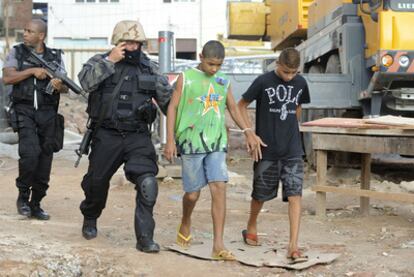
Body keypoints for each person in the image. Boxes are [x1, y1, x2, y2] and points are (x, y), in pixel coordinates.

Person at [77, 20, 172, 253]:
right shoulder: (100, 62)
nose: (132, 47)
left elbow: (169, 103)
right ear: (117, 43)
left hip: (137, 136)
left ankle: (145, 239)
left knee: (148, 183)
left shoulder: (150, 68)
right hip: (106, 135)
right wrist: (110, 61)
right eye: (127, 42)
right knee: (96, 184)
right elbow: (84, 83)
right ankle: (90, 216)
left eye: (136, 43)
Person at [164, 40, 258, 261]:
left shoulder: (222, 81)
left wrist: (248, 131)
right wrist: (170, 140)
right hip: (190, 141)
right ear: (200, 57)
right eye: (210, 64)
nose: (214, 69)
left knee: (219, 187)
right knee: (193, 194)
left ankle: (218, 244)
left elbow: (233, 107)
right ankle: (186, 220)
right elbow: (172, 107)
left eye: (218, 64)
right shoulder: (185, 78)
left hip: (216, 141)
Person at [237, 48, 311, 263]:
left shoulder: (301, 83)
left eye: (293, 72)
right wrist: (249, 133)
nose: (289, 77)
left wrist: (289, 128)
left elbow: (297, 108)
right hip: (266, 149)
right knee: (260, 194)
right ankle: (251, 225)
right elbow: (241, 106)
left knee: (295, 195)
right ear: (277, 64)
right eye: (286, 71)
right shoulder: (263, 81)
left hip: (292, 150)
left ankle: (293, 245)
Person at [2, 19, 68, 220]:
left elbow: (65, 86)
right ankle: (23, 197)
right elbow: (7, 78)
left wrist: (59, 85)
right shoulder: (17, 52)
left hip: (48, 114)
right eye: (25, 29)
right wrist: (32, 71)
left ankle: (36, 203)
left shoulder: (55, 57)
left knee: (44, 160)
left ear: (41, 36)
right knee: (30, 154)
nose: (25, 33)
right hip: (24, 111)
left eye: (29, 31)